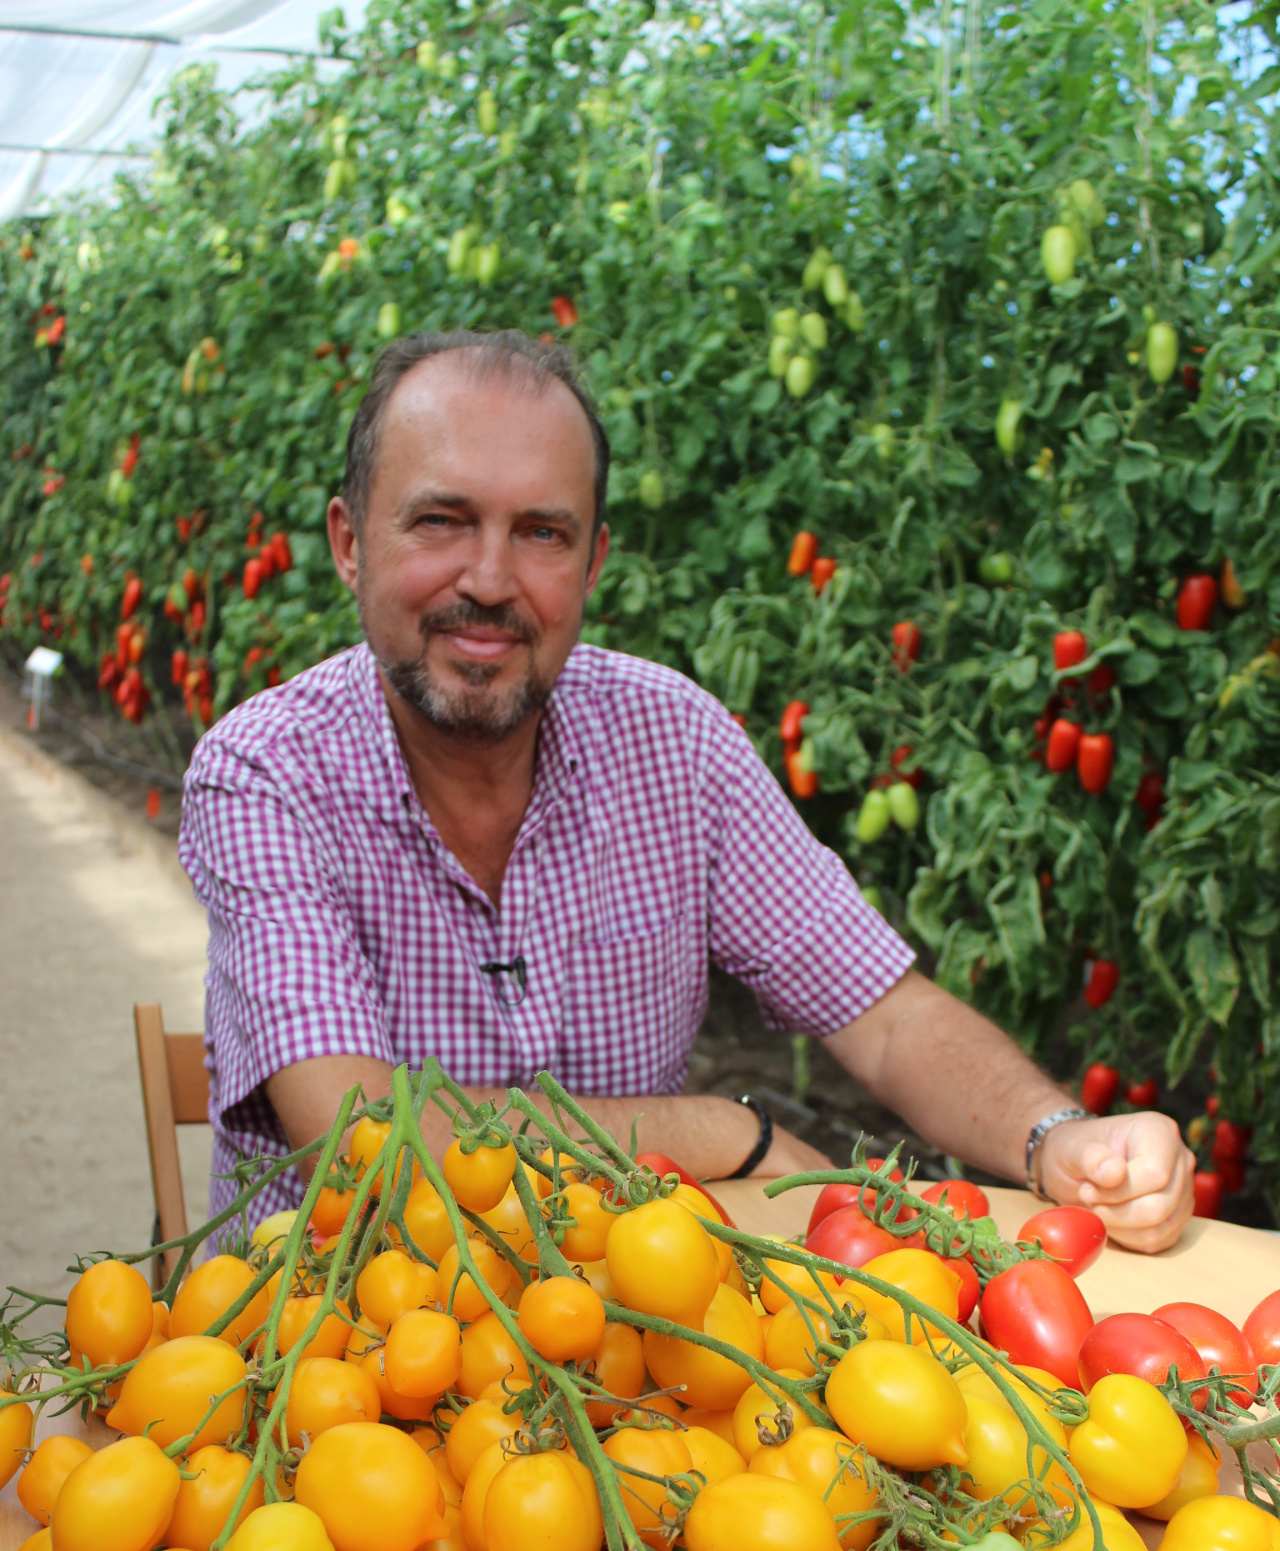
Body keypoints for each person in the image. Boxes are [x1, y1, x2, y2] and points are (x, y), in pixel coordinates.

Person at [179, 329, 1194, 1252]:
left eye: (541, 533)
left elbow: (883, 1019)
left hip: (631, 1336)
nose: (488, 579)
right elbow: (371, 1144)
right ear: (350, 542)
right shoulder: (267, 772)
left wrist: (1056, 1135)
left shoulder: (673, 743)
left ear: (593, 563)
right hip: (327, 1363)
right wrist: (720, 1132)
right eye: (441, 521)